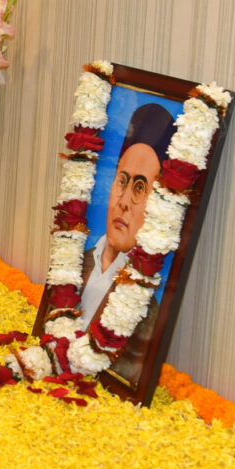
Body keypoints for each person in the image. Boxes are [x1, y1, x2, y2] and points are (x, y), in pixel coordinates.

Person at [79, 102, 175, 387]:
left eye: (140, 188)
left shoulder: (145, 311)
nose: (123, 202)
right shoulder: (74, 261)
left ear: (157, 207)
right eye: (122, 181)